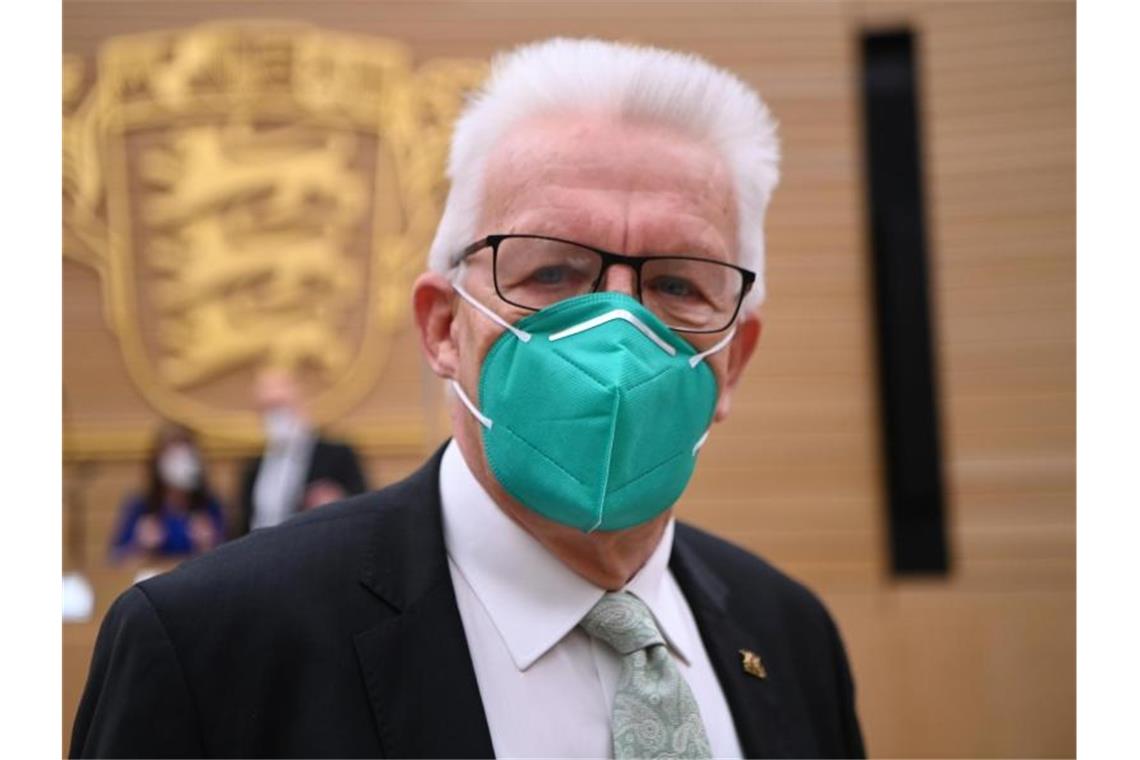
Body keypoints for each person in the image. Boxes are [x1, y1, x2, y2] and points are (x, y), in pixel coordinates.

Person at [71, 39, 865, 759]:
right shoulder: (212, 649)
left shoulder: (790, 636)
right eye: (552, 273)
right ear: (444, 325)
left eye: (677, 284)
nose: (621, 330)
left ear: (734, 361)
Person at [236, 367, 368, 535]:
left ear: (300, 403)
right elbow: (243, 523)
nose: (275, 416)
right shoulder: (253, 466)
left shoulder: (336, 455)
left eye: (281, 406)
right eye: (268, 409)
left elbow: (363, 503)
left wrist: (337, 501)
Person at [109, 424, 225, 562]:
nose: (181, 465)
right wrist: (141, 547)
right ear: (158, 461)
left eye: (186, 457)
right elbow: (115, 562)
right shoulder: (140, 506)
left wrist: (208, 546)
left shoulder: (209, 505)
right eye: (173, 457)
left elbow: (230, 562)